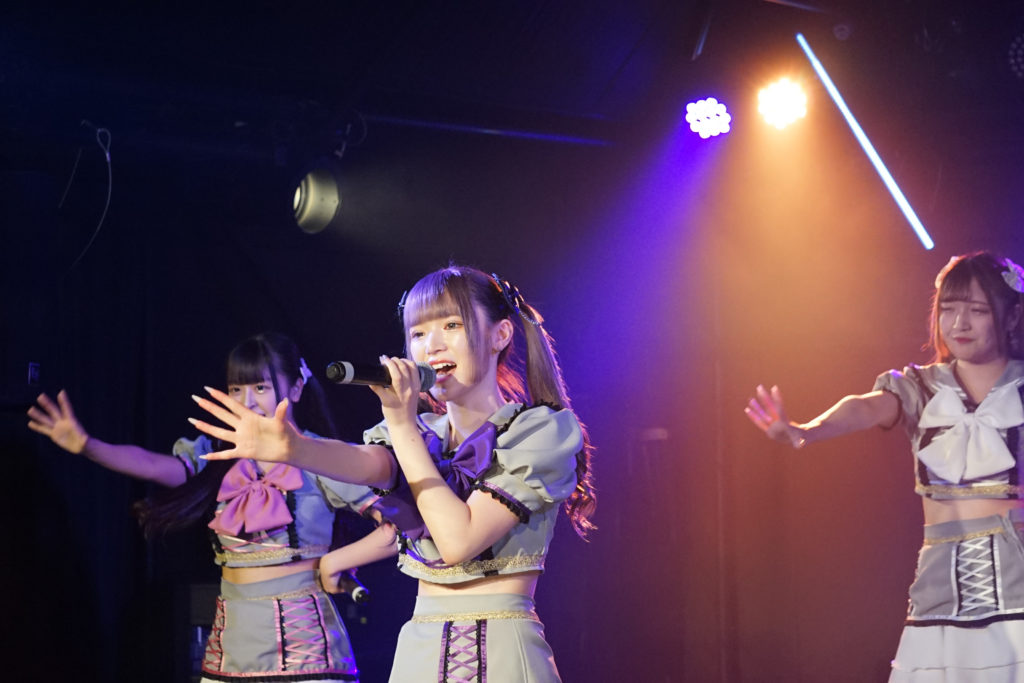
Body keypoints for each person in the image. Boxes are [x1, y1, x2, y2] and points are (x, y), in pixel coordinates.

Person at [190, 266, 597, 682]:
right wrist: (294, 449)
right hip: (419, 653)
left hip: (505, 654)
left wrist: (402, 424)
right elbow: (364, 462)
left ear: (501, 335)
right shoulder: (419, 435)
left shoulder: (538, 432)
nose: (432, 345)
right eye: (418, 333)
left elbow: (459, 541)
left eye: (451, 325)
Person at [27, 332, 387, 683]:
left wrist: (336, 561)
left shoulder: (320, 457)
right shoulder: (217, 456)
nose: (246, 402)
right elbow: (152, 465)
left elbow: (399, 526)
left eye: (261, 388)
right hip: (230, 651)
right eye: (236, 389)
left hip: (306, 653)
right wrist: (87, 446)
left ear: (295, 388)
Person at [744, 251, 1024, 681]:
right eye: (949, 309)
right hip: (940, 579)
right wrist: (807, 430)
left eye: (977, 310)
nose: (959, 323)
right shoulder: (921, 386)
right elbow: (865, 407)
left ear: (1011, 316)